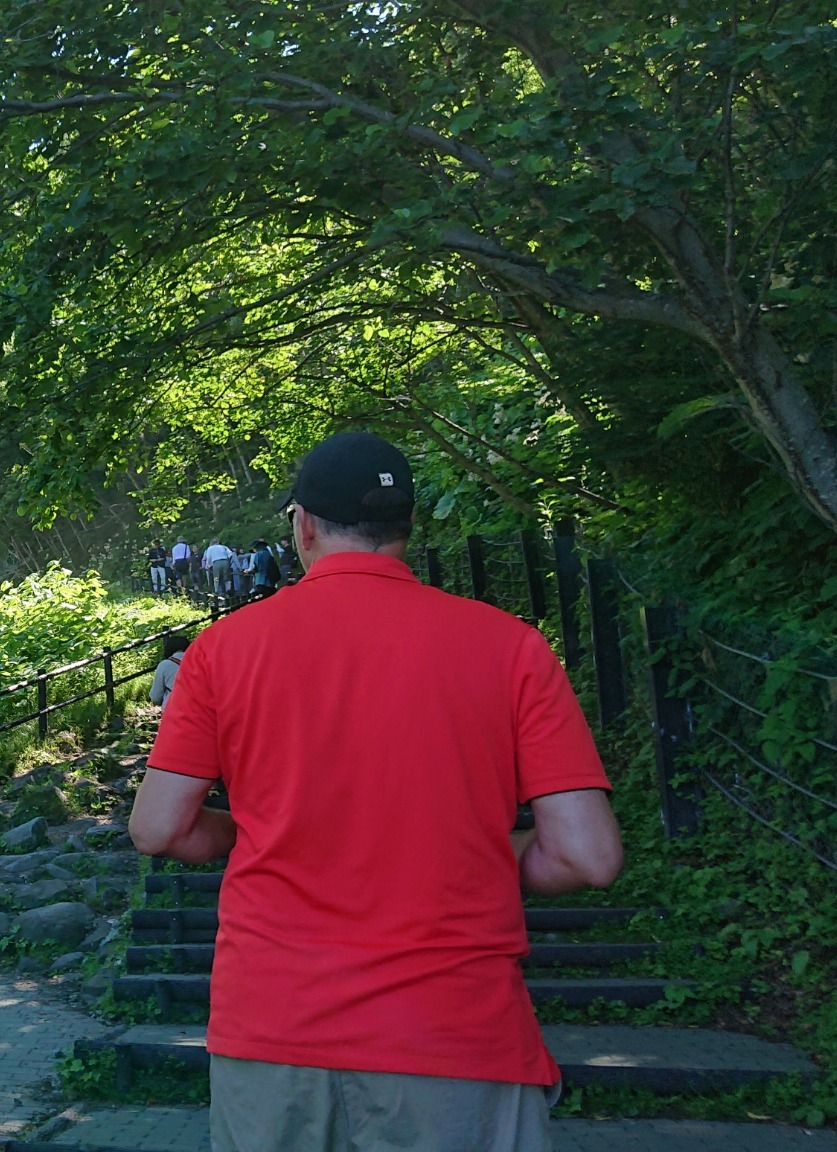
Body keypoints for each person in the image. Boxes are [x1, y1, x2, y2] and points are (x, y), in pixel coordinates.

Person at [130, 431, 623, 1152]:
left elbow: (159, 829)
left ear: (302, 526)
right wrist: (493, 846)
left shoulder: (224, 649)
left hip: (276, 1026)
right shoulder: (510, 646)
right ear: (407, 528)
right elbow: (587, 857)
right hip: (456, 1032)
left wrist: (245, 831)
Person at [147, 632, 189, 706]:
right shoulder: (200, 662)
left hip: (173, 710)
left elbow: (155, 697)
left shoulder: (165, 665)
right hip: (200, 710)